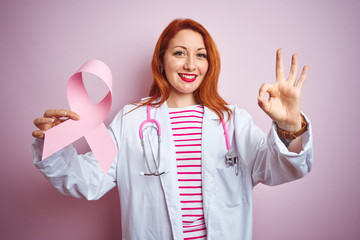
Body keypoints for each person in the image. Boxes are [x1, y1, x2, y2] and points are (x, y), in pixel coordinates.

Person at [32, 18, 313, 240]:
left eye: (201, 55)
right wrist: (54, 143)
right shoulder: (130, 120)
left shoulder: (232, 120)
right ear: (161, 61)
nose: (191, 64)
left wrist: (289, 125)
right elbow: (89, 180)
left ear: (210, 63)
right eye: (180, 53)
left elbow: (279, 168)